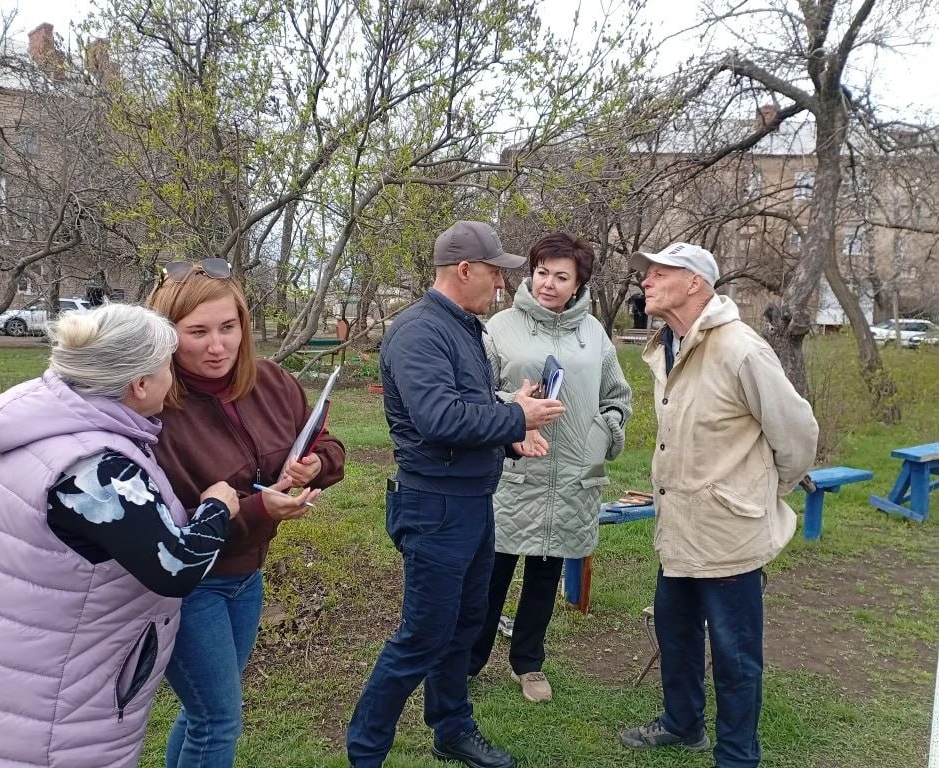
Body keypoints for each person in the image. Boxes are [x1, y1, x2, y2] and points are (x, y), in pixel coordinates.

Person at [0, 304, 239, 768]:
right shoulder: (95, 469)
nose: (172, 377)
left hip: (8, 679)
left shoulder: (50, 428)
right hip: (46, 715)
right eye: (166, 367)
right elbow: (175, 567)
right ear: (140, 384)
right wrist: (216, 507)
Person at [346, 221, 566, 768]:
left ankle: (451, 729)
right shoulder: (419, 331)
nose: (502, 284)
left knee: (466, 624)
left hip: (470, 501)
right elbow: (438, 419)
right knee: (423, 635)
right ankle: (365, 750)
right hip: (435, 508)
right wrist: (516, 416)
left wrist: (510, 432)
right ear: (464, 270)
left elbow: (467, 409)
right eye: (495, 273)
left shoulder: (463, 326)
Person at [618, 242, 818, 768]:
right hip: (679, 527)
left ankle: (736, 755)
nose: (646, 281)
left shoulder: (741, 349)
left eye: (659, 273)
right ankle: (683, 725)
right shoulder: (670, 344)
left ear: (695, 283)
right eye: (646, 273)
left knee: (734, 652)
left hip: (729, 532)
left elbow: (797, 434)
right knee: (676, 633)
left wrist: (763, 491)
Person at [146, 259, 346, 768]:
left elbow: (326, 443)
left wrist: (316, 463)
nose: (217, 346)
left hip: (246, 576)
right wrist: (260, 509)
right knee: (217, 720)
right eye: (198, 332)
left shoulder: (271, 381)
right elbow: (163, 524)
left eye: (228, 327)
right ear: (166, 334)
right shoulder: (152, 405)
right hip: (188, 587)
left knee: (204, 713)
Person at [468, 232, 633, 703]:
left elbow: (617, 396)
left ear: (578, 284)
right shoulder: (499, 327)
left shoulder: (593, 333)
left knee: (545, 574)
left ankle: (528, 662)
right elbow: (476, 393)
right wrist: (512, 413)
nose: (549, 283)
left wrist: (604, 432)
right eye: (542, 272)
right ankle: (469, 660)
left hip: (570, 477)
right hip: (513, 472)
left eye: (562, 276)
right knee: (490, 574)